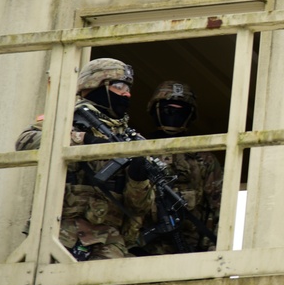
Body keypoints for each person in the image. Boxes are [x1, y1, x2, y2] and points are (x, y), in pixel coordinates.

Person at [15, 58, 155, 260]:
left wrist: (138, 178)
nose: (127, 93)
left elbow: (138, 208)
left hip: (108, 239)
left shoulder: (130, 138)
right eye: (119, 86)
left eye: (128, 88)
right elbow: (26, 141)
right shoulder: (66, 118)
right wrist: (84, 140)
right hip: (59, 230)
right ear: (96, 85)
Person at [134, 80, 224, 255]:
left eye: (180, 110)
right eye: (168, 109)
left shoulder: (204, 160)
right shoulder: (137, 151)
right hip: (140, 248)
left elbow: (219, 208)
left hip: (186, 248)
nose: (174, 115)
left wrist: (213, 252)